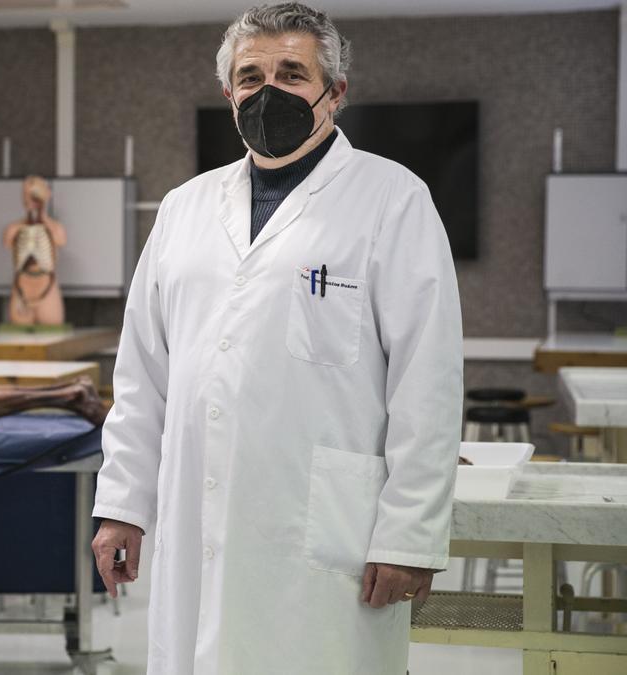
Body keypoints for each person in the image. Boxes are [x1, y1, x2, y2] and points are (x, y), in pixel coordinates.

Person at [89, 4, 463, 673]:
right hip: (197, 520)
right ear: (228, 92)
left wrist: (409, 535)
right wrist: (122, 503)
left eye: (293, 72)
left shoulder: (393, 200)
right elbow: (142, 374)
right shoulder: (185, 209)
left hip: (324, 534)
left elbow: (426, 382)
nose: (269, 91)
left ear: (335, 93)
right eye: (251, 75)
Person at [3, 176, 67, 326]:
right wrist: (26, 221)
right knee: (19, 338)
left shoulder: (54, 228)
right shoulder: (15, 228)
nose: (31, 200)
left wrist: (43, 217)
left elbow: (61, 240)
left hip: (46, 284)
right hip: (22, 286)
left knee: (51, 328)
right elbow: (7, 241)